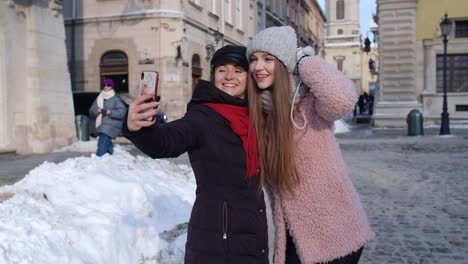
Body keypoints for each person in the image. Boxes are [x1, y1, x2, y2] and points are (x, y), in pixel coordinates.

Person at [122, 45, 269, 264]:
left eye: (238, 70)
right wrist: (139, 128)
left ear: (248, 77)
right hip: (217, 240)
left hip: (253, 236)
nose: (229, 76)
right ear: (213, 76)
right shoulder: (203, 117)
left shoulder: (256, 117)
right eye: (222, 70)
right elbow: (164, 142)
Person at [246, 26, 374, 264]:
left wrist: (305, 62)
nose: (257, 66)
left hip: (336, 235)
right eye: (253, 59)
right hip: (294, 238)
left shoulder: (309, 103)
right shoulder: (258, 110)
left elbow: (342, 98)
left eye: (268, 59)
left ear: (286, 63)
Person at [89, 78, 127, 157]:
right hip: (101, 125)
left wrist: (110, 112)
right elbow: (91, 110)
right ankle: (110, 156)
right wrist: (97, 110)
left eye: (108, 85)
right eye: (104, 85)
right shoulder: (99, 98)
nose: (106, 86)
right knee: (107, 143)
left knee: (102, 143)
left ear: (112, 87)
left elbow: (122, 112)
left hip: (111, 125)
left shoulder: (115, 99)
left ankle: (99, 158)